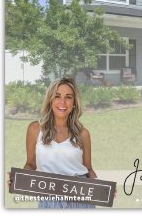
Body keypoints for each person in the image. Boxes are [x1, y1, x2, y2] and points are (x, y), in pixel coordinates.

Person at [23, 77, 97, 208]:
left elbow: (88, 169)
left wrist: (102, 189)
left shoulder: (83, 134)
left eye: (68, 97)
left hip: (80, 198)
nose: (63, 102)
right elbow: (30, 164)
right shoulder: (35, 129)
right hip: (49, 197)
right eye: (57, 96)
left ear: (74, 103)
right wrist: (21, 178)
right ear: (50, 100)